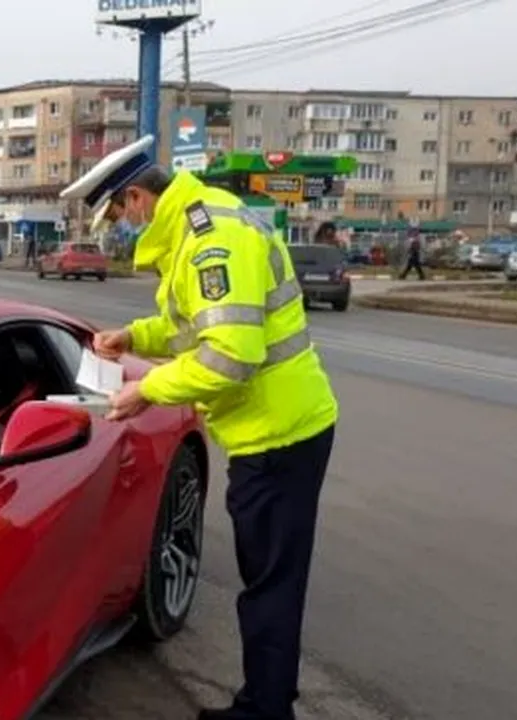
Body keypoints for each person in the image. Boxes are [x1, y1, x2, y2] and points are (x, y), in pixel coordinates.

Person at [60, 134, 338, 720]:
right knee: (269, 582)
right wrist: (134, 338)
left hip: (280, 434)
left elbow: (231, 354)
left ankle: (263, 712)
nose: (120, 228)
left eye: (118, 214)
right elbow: (191, 325)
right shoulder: (197, 227)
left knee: (269, 589)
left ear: (137, 198)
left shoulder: (214, 240)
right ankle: (263, 702)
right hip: (271, 429)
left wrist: (146, 390)